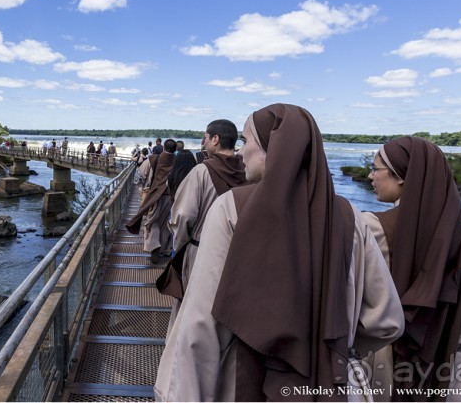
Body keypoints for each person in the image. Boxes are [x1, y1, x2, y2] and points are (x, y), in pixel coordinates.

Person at [154, 104, 403, 401]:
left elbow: (201, 327)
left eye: (247, 141)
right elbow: (387, 321)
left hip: (243, 380)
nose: (240, 152)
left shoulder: (232, 208)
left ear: (274, 148)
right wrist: (336, 346)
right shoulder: (350, 217)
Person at [361, 137, 461, 400]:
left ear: (401, 176)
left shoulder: (371, 228)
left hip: (386, 369)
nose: (370, 176)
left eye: (375, 168)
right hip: (455, 374)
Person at [160, 120, 247, 332]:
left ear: (215, 139)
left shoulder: (201, 171)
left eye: (205, 137)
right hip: (238, 252)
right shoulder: (248, 170)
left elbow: (183, 216)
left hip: (201, 250)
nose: (203, 142)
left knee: (191, 306)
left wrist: (180, 247)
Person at [127, 139, 178, 263]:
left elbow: (140, 176)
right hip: (171, 197)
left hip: (154, 196)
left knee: (151, 221)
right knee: (165, 224)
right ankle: (164, 250)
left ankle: (154, 246)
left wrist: (142, 190)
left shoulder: (153, 159)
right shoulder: (177, 161)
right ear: (175, 149)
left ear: (163, 147)